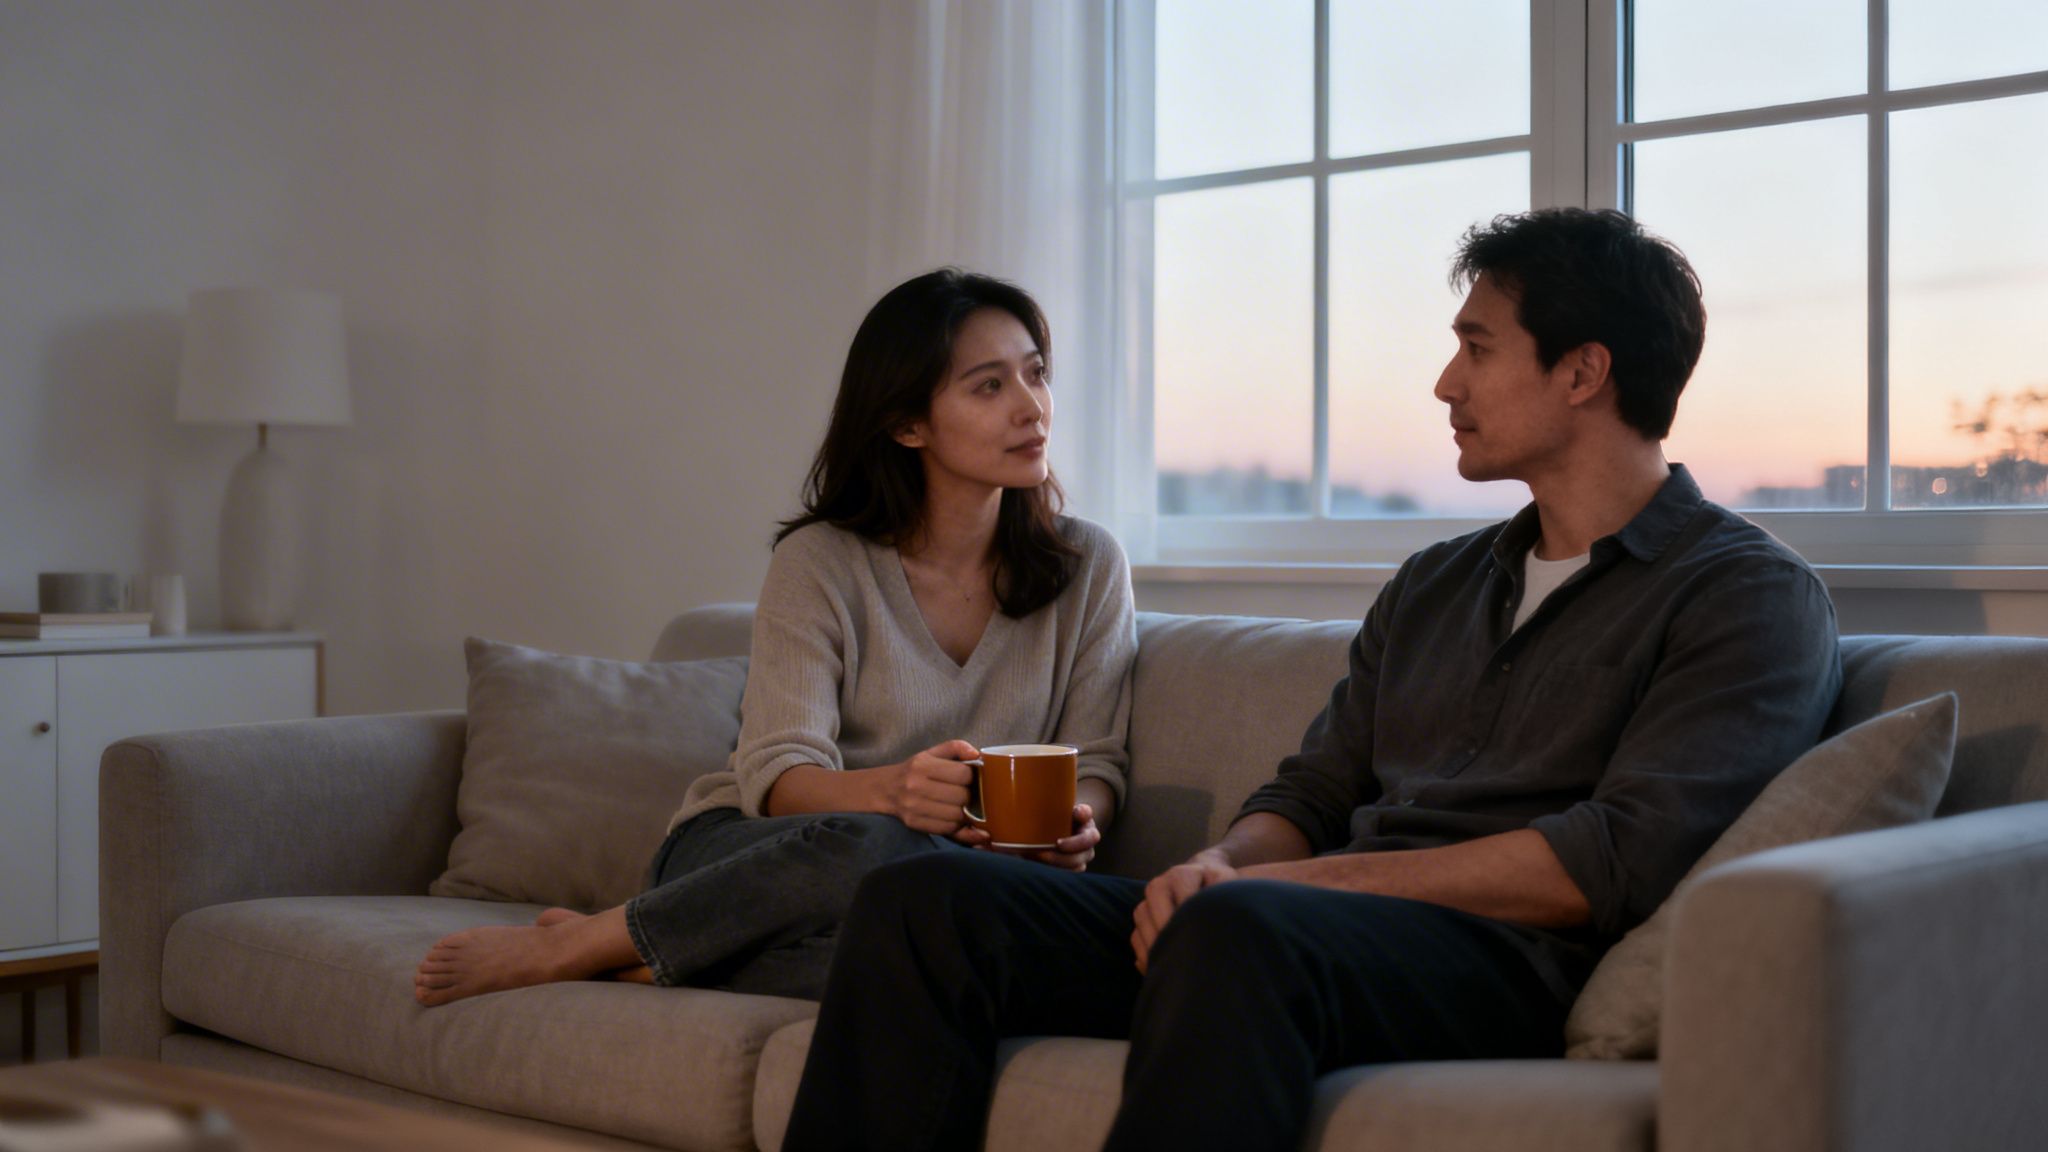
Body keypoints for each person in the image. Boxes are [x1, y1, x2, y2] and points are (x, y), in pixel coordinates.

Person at [779, 208, 1843, 1152]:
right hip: (1292, 932)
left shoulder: (1743, 596)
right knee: (928, 901)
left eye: (1475, 347)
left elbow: (1601, 864)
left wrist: (1272, 889)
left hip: (1494, 964)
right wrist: (1216, 863)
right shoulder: (1436, 583)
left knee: (1240, 929)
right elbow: (1308, 796)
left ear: (1581, 372)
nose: (1444, 383)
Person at [412, 268, 1136, 1006]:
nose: (1032, 408)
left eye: (1036, 375)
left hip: (947, 882)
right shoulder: (821, 561)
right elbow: (778, 777)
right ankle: (584, 942)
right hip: (757, 855)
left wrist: (1076, 825)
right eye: (989, 386)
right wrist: (894, 794)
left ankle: (643, 955)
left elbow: (1098, 764)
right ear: (906, 423)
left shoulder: (1090, 568)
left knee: (968, 945)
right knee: (886, 854)